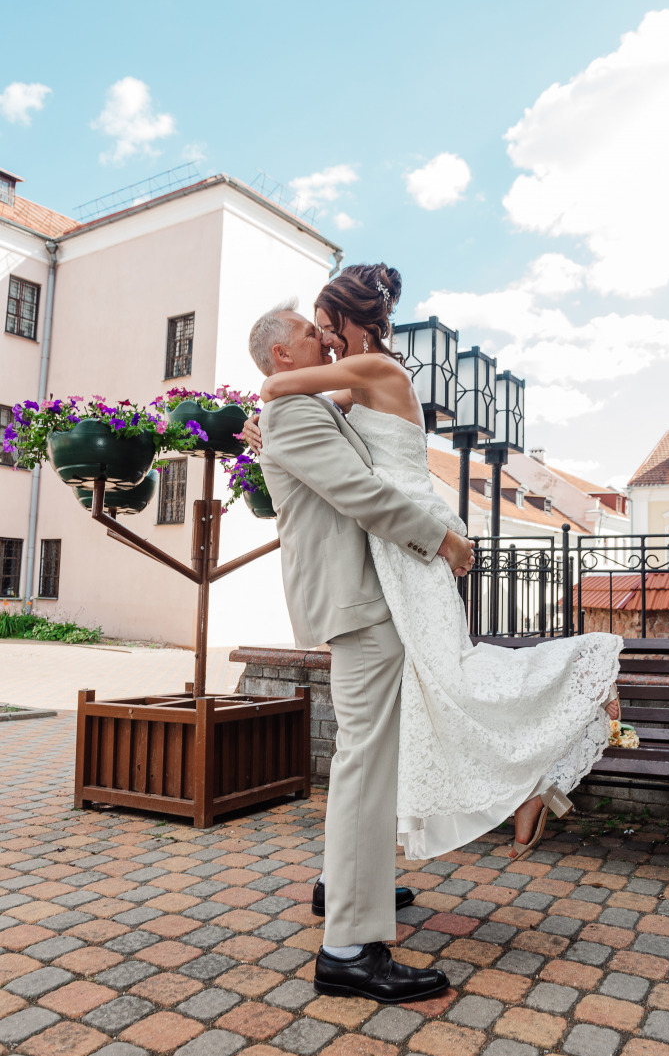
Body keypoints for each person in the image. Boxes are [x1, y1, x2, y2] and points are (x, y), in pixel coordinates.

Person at [246, 263, 623, 867]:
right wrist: (278, 444)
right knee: (435, 685)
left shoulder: (374, 366)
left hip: (410, 535)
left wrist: (271, 402)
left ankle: (583, 675)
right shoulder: (361, 377)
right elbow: (328, 425)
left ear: (353, 320)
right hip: (396, 544)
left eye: (327, 325)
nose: (325, 337)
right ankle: (524, 785)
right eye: (315, 330)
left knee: (451, 675)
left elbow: (277, 388)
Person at [247, 300, 474, 1002]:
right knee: (363, 769)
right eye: (310, 332)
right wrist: (442, 539)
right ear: (281, 355)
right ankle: (347, 946)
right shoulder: (293, 411)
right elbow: (359, 492)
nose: (324, 338)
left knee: (368, 764)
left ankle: (349, 892)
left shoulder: (308, 406)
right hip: (359, 602)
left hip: (369, 600)